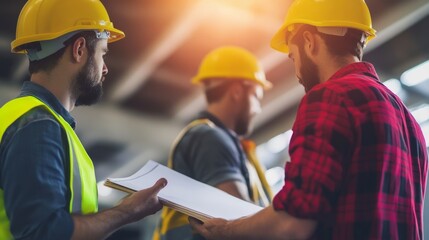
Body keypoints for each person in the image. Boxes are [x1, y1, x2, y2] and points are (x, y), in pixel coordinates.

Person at [189, 0, 428, 239]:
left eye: (293, 57)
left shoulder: (330, 97)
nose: (297, 74)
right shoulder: (408, 120)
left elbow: (292, 223)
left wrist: (227, 231)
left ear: (309, 42)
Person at [0, 0, 167, 239]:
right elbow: (43, 232)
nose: (105, 68)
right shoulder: (38, 126)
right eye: (102, 53)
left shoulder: (25, 118)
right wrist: (127, 211)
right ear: (79, 49)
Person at [153, 46, 273, 240]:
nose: (258, 109)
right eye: (256, 97)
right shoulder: (209, 138)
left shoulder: (220, 140)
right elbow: (241, 219)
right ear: (236, 91)